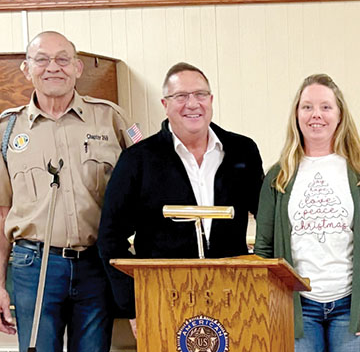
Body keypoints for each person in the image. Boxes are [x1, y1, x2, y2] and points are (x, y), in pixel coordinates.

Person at [0, 31, 139, 352]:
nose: (53, 68)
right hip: (35, 268)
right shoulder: (9, 128)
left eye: (63, 59)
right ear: (26, 69)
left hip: (96, 267)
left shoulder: (110, 118)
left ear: (78, 68)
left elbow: (146, 185)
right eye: (42, 59)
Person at [98, 62, 264, 332]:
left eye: (200, 94)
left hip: (233, 295)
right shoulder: (138, 160)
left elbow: (266, 219)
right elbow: (110, 237)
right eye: (181, 96)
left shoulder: (242, 150)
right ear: (165, 104)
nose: (192, 104)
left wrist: (261, 284)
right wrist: (133, 304)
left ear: (211, 100)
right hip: (163, 298)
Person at [254, 74, 360, 352]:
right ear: (296, 115)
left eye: (326, 107)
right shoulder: (278, 177)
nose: (316, 115)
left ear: (340, 115)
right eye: (307, 107)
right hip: (296, 311)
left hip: (351, 310)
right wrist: (268, 311)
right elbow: (263, 249)